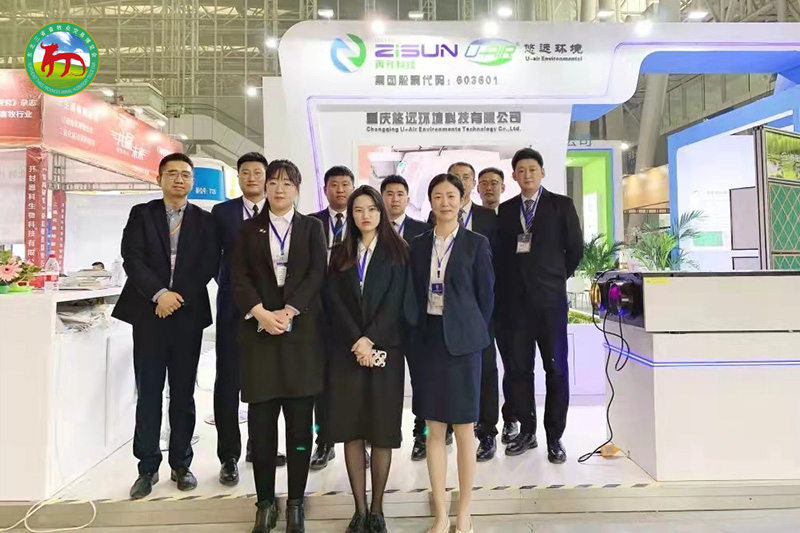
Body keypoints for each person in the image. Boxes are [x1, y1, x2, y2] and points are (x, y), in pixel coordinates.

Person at [113, 153, 219, 500]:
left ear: (192, 181)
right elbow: (132, 258)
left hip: (187, 316)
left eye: (185, 174)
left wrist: (176, 297)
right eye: (172, 174)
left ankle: (181, 464)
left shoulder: (204, 220)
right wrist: (159, 294)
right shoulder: (142, 214)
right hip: (149, 315)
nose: (178, 179)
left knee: (184, 393)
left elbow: (208, 264)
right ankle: (147, 468)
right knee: (149, 394)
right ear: (159, 179)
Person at [232, 160, 327, 533]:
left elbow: (317, 273)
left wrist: (288, 311)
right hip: (260, 338)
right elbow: (238, 277)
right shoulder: (247, 229)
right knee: (262, 429)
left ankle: (297, 503)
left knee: (300, 431)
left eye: (287, 183)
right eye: (273, 182)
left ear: (298, 189)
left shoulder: (312, 228)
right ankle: (265, 504)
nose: (279, 189)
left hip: (300, 338)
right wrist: (260, 312)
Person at [325, 185, 415, 533]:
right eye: (358, 209)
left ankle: (377, 509)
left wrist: (370, 338)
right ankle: (359, 509)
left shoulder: (398, 251)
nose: (365, 215)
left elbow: (396, 301)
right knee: (351, 428)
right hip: (347, 352)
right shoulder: (339, 253)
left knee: (381, 430)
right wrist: (356, 340)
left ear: (381, 212)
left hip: (385, 350)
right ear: (351, 215)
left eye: (372, 209)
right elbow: (333, 301)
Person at [409, 173, 494, 533]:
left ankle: (464, 511)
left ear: (462, 200)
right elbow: (412, 291)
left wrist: (469, 330)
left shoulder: (476, 243)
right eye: (438, 196)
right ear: (430, 201)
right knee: (434, 428)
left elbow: (486, 297)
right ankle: (441, 513)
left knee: (464, 429)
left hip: (463, 346)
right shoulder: (417, 244)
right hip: (428, 342)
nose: (444, 202)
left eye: (451, 196)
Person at [494, 148, 583, 464]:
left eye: (532, 169)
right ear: (514, 176)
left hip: (549, 304)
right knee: (519, 370)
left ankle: (554, 437)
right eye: (521, 170)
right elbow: (501, 257)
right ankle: (527, 432)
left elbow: (575, 250)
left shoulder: (561, 205)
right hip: (515, 307)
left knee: (556, 369)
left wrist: (554, 279)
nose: (527, 174)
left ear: (542, 172)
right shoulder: (506, 211)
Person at [211, 152, 286, 487]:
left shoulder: (280, 211)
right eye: (246, 172)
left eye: (258, 172)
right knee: (228, 383)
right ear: (238, 177)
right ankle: (228, 456)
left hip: (271, 315)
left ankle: (261, 446)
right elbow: (213, 260)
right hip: (233, 311)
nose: (252, 178)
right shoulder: (222, 213)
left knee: (266, 383)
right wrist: (240, 297)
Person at [431, 162, 501, 462]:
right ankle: (445, 427)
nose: (445, 201)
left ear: (467, 188)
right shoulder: (432, 225)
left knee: (484, 373)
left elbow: (489, 281)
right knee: (445, 378)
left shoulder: (487, 218)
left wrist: (478, 323)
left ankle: (486, 431)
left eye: (464, 179)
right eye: (439, 195)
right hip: (440, 319)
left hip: (475, 318)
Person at [309, 165, 355, 471]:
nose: (340, 190)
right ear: (325, 189)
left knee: (352, 381)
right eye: (334, 185)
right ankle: (324, 441)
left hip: (352, 314)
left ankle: (355, 441)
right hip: (316, 314)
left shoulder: (364, 222)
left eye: (345, 184)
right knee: (321, 381)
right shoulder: (311, 223)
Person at [477, 166, 519, 446]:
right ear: (477, 189)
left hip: (508, 302)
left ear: (503, 187)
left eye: (494, 182)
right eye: (484, 183)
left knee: (513, 364)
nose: (489, 187)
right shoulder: (471, 219)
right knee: (485, 366)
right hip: (479, 305)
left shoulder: (511, 216)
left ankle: (512, 418)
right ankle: (485, 425)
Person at [380, 174, 429, 242]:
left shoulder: (424, 230)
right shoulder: (373, 228)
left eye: (400, 194)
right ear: (381, 200)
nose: (395, 199)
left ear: (407, 200)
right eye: (390, 194)